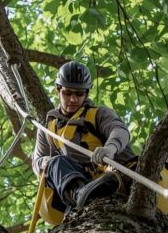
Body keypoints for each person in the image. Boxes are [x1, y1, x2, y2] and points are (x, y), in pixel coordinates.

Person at [31, 61, 137, 214]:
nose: (73, 99)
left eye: (79, 94)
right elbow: (37, 162)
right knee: (55, 162)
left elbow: (119, 130)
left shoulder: (98, 114)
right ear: (58, 90)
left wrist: (110, 148)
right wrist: (46, 162)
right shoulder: (48, 129)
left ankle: (96, 189)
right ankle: (79, 193)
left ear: (86, 93)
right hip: (76, 185)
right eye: (67, 93)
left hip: (116, 179)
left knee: (111, 179)